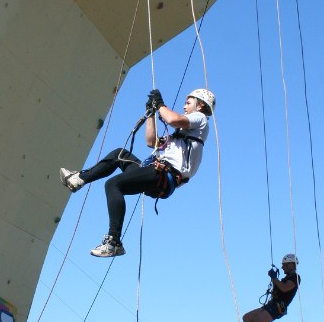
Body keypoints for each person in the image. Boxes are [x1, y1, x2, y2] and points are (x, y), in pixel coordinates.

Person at [59, 86, 215, 257]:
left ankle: (113, 241)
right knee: (120, 154)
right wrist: (151, 113)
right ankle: (79, 178)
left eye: (188, 103)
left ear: (200, 106)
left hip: (163, 175)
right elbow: (151, 141)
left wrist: (161, 105)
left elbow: (172, 119)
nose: (184, 106)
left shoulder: (201, 119)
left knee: (113, 184)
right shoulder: (181, 135)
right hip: (157, 174)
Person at [235, 254, 301, 322]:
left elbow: (284, 288)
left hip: (278, 307)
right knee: (247, 317)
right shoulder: (285, 278)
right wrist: (273, 279)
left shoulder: (295, 277)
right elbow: (277, 288)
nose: (283, 267)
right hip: (271, 304)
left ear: (291, 265)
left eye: (284, 265)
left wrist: (275, 278)